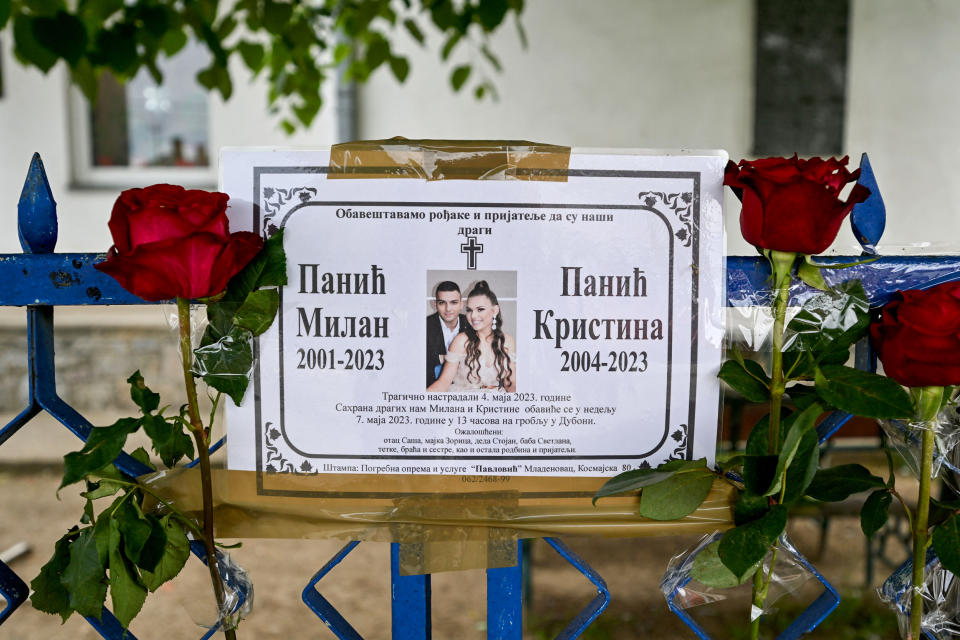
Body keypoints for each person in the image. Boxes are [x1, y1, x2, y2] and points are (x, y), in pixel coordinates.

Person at [428, 280, 516, 392]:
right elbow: (443, 383)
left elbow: (511, 384)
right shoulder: (461, 341)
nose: (473, 316)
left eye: (480, 309)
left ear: (495, 310)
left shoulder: (508, 341)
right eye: (469, 310)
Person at [426, 281, 466, 387]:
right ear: (435, 304)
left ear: (461, 304)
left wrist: (442, 358)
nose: (448, 309)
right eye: (442, 303)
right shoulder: (424, 326)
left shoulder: (472, 325)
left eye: (453, 302)